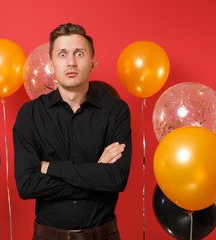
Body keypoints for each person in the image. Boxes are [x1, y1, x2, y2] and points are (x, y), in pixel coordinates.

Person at [13, 23, 132, 240]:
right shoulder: (29, 114)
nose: (71, 62)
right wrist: (96, 172)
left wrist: (50, 168)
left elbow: (117, 178)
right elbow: (26, 185)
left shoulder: (116, 110)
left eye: (79, 53)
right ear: (52, 64)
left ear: (93, 63)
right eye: (62, 54)